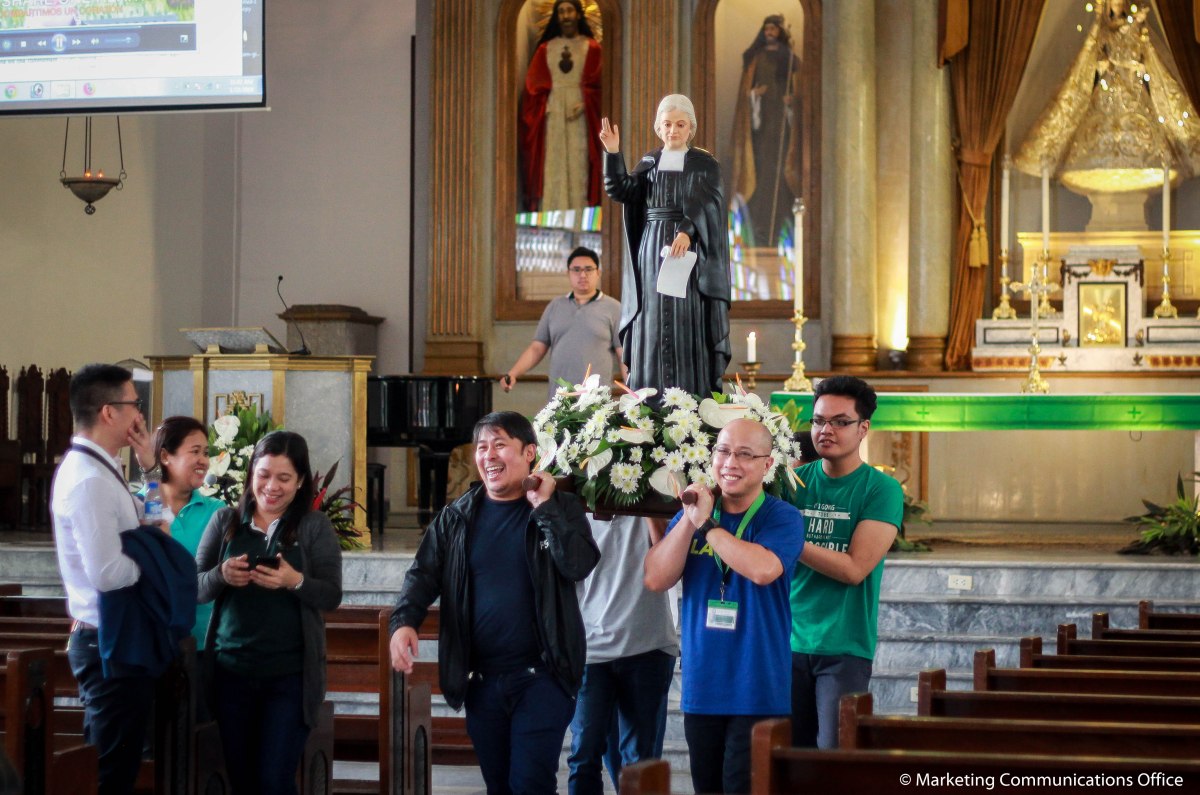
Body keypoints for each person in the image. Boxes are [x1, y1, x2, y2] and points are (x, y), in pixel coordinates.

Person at [389, 410, 600, 795]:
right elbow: (422, 575)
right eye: (482, 447)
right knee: (499, 787)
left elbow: (578, 565)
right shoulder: (456, 517)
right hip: (482, 683)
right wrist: (404, 622)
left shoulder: (562, 508)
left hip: (543, 678)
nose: (489, 455)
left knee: (531, 786)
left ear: (530, 453)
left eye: (500, 445)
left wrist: (545, 508)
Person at [643, 418, 804, 795]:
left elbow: (763, 569)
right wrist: (688, 521)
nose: (731, 462)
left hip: (757, 687)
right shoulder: (693, 516)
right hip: (703, 685)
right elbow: (655, 579)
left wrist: (707, 526)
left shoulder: (782, 517)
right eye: (723, 451)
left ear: (767, 465)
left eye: (745, 455)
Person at [196, 431, 343, 795]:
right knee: (242, 781)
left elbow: (331, 595)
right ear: (250, 476)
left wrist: (295, 581)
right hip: (231, 673)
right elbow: (196, 588)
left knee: (274, 780)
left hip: (289, 678)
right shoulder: (225, 522)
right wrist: (221, 574)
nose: (271, 487)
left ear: (301, 481)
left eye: (284, 478)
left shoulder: (313, 527)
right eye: (263, 475)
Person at [51, 363, 163, 795]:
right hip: (107, 642)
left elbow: (155, 524)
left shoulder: (106, 470)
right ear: (109, 412)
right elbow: (107, 573)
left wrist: (150, 472)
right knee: (110, 773)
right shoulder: (88, 480)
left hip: (118, 637)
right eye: (135, 404)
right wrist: (154, 563)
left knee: (121, 762)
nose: (140, 415)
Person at [788, 375, 903, 749]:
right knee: (786, 756)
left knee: (834, 755)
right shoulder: (791, 483)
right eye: (819, 420)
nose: (826, 430)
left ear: (863, 428)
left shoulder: (880, 489)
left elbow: (854, 569)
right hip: (786, 640)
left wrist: (789, 540)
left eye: (840, 421)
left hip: (844, 647)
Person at [600, 94, 731, 397]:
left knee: (687, 317)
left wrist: (686, 231)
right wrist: (613, 152)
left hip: (688, 251)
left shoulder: (704, 164)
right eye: (667, 124)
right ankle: (650, 397)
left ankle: (691, 395)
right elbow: (623, 191)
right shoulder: (649, 162)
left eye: (680, 124)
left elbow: (707, 202)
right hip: (652, 250)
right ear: (659, 128)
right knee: (651, 318)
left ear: (690, 128)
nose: (673, 130)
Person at [567, 514, 678, 795]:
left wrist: (650, 508)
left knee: (641, 759)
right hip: (590, 648)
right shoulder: (575, 505)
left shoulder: (650, 501)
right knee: (584, 753)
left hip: (647, 644)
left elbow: (671, 561)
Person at [130, 415, 225, 650]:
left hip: (204, 641)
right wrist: (151, 476)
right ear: (164, 456)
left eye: (205, 452)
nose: (203, 460)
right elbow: (155, 523)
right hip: (149, 639)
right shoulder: (136, 506)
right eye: (195, 451)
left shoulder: (218, 511)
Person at [503, 246, 625, 398]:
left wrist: (633, 390)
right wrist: (513, 373)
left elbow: (623, 354)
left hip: (595, 400)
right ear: (568, 273)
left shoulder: (613, 307)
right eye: (576, 269)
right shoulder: (555, 306)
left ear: (598, 273)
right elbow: (537, 348)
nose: (582, 275)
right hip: (560, 396)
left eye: (588, 269)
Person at [519, 0, 602, 213]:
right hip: (553, 114)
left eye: (569, 10)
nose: (565, 16)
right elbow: (533, 87)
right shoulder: (547, 48)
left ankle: (580, 211)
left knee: (578, 162)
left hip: (581, 114)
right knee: (553, 163)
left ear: (578, 14)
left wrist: (586, 103)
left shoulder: (592, 48)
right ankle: (552, 211)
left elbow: (601, 87)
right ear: (556, 16)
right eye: (561, 11)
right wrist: (542, 106)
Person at [731, 14, 802, 247]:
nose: (770, 33)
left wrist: (791, 102)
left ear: (780, 32)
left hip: (783, 127)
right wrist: (754, 96)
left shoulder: (789, 59)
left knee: (782, 176)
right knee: (762, 176)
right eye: (767, 29)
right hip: (761, 131)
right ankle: (760, 230)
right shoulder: (756, 59)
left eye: (774, 29)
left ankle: (783, 227)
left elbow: (797, 90)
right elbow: (745, 97)